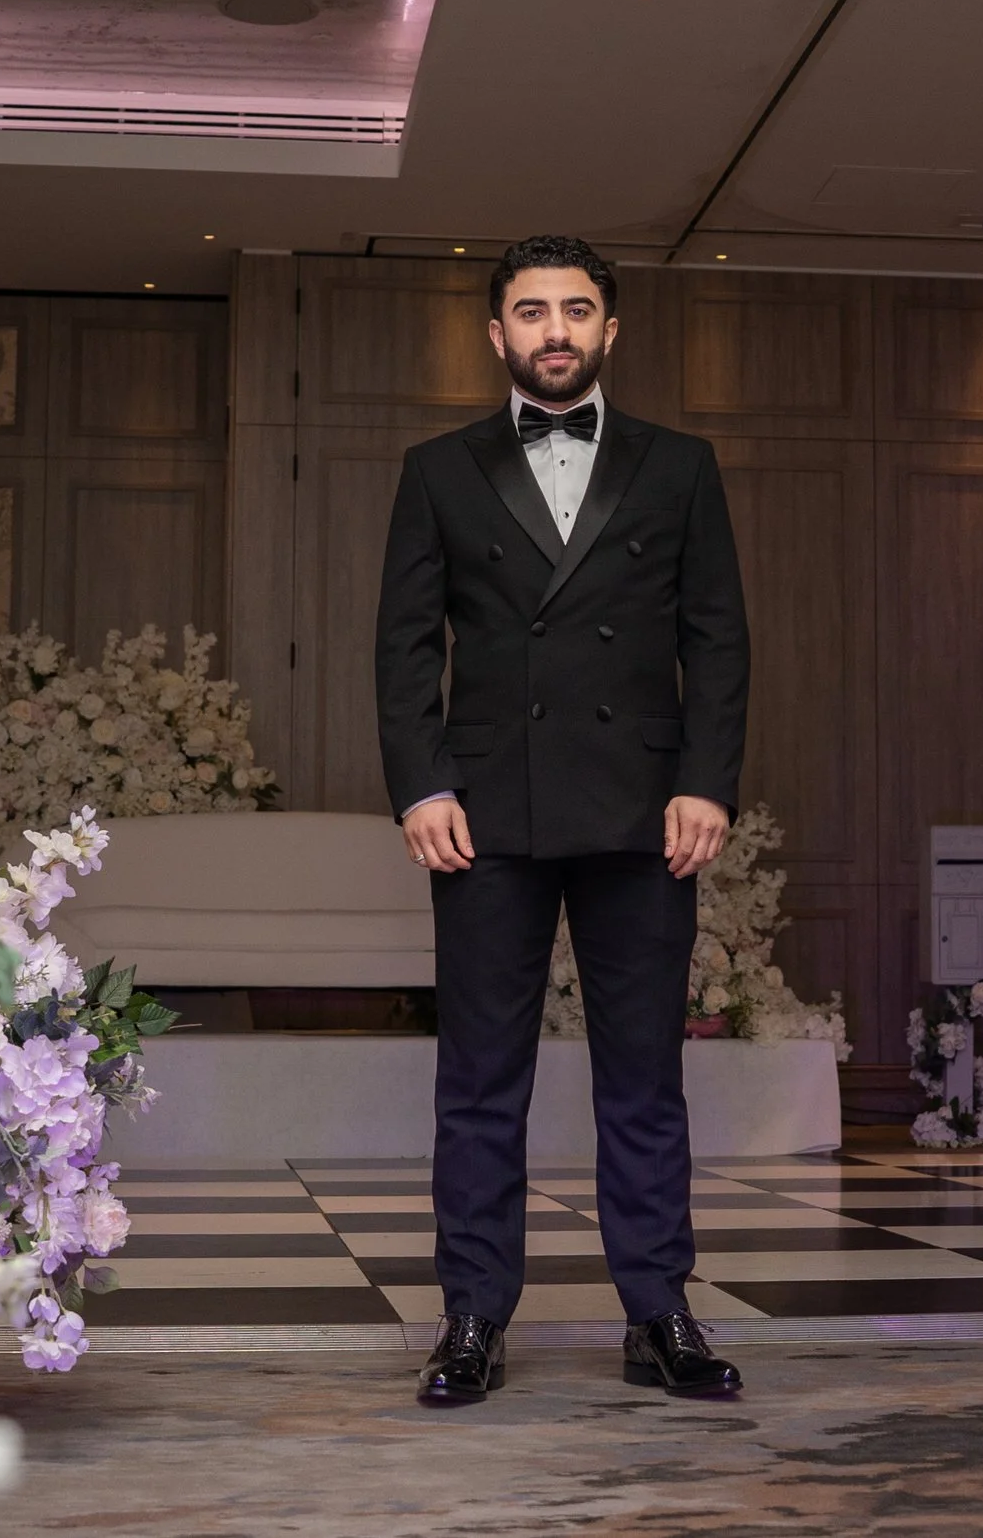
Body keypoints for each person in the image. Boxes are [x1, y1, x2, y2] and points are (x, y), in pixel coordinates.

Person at [373, 234, 751, 1405]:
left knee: (643, 1077)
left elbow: (717, 638)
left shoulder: (680, 464)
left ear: (608, 330)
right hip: (486, 814)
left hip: (646, 811)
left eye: (575, 309)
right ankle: (472, 1315)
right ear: (495, 334)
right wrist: (421, 783)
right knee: (481, 1078)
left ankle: (659, 1310)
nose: (554, 329)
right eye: (531, 310)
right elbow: (401, 644)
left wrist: (708, 780)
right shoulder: (437, 467)